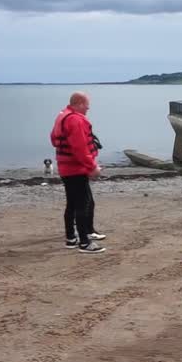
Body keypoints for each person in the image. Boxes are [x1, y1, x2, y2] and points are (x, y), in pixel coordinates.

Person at [50, 91, 106, 253]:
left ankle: (71, 238)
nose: (88, 108)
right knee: (83, 204)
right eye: (87, 105)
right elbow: (80, 149)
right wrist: (93, 167)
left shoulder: (63, 116)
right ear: (79, 103)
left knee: (73, 204)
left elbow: (53, 138)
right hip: (76, 169)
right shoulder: (75, 120)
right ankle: (85, 242)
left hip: (66, 168)